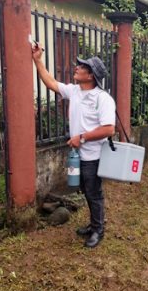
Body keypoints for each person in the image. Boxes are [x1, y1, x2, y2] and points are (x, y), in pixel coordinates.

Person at [32, 43, 116, 248]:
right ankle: (95, 223)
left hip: (94, 156)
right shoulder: (75, 91)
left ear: (91, 76)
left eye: (81, 67)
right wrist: (37, 60)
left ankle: (98, 230)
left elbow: (108, 129)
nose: (76, 68)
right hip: (78, 155)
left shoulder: (102, 99)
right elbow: (51, 82)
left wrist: (82, 137)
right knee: (86, 190)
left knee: (94, 193)